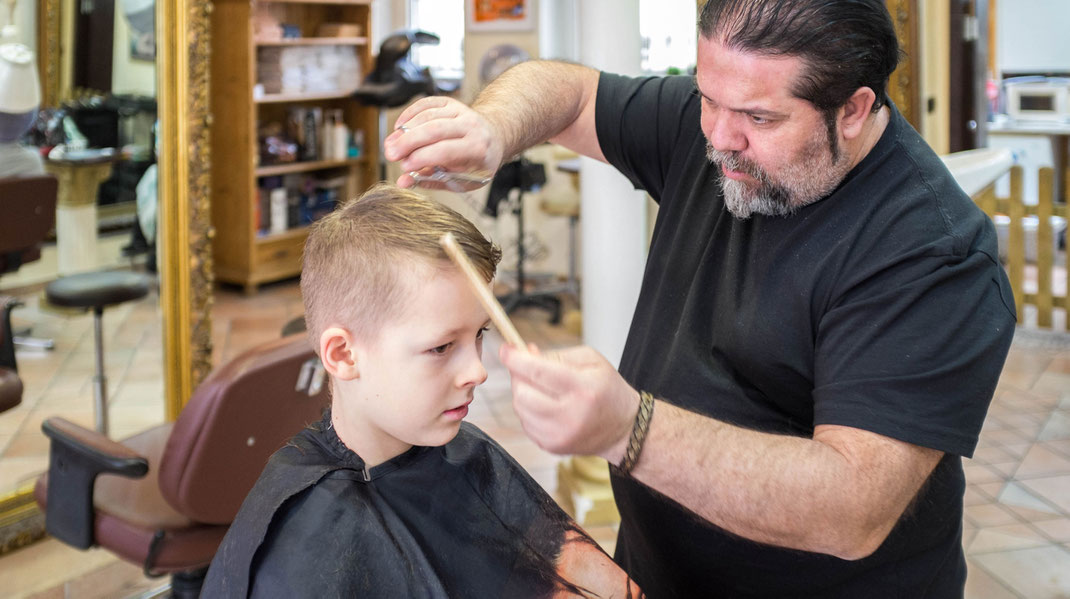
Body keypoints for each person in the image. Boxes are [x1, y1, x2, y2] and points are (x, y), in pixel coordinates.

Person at [383, 1, 1017, 596]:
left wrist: (631, 430)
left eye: (760, 119)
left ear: (852, 110)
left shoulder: (934, 251)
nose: (718, 137)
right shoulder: (718, 122)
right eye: (707, 99)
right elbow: (571, 92)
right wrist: (493, 129)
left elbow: (855, 506)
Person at [201, 184, 641, 598]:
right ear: (343, 354)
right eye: (441, 346)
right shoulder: (299, 543)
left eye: (481, 334)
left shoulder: (468, 456)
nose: (477, 371)